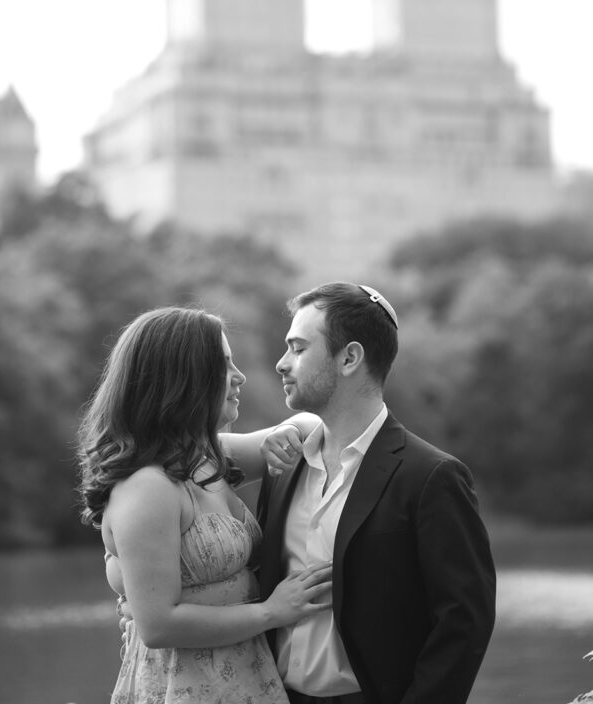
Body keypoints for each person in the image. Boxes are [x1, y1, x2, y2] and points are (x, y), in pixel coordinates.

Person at [256, 281, 496, 704]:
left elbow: (464, 622)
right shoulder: (283, 464)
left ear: (349, 357)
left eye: (297, 348)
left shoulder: (431, 476)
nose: (281, 363)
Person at [77, 306, 332, 704]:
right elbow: (158, 625)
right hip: (184, 689)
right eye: (224, 364)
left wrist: (284, 431)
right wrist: (273, 611)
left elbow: (315, 427)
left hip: (248, 677)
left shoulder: (207, 458)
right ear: (184, 378)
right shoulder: (148, 486)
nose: (240, 377)